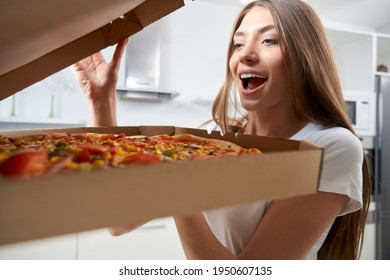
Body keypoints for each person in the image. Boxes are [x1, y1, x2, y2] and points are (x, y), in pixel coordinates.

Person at [72, 0, 371, 260]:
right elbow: (118, 222)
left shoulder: (331, 146)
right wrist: (101, 101)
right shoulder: (216, 137)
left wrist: (178, 190)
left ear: (305, 57)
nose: (245, 54)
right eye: (238, 44)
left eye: (269, 41)